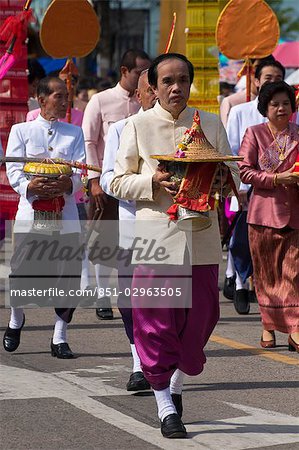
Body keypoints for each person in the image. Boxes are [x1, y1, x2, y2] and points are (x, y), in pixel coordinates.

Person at [110, 53, 239, 438]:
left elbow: (230, 173)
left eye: (182, 79)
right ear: (153, 86)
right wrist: (152, 182)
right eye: (167, 81)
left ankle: (177, 385)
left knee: (201, 320)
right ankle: (165, 403)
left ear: (191, 83)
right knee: (155, 324)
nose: (176, 87)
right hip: (156, 239)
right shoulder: (136, 125)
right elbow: (117, 181)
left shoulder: (211, 122)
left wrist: (220, 183)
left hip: (200, 238)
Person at [3, 76, 85, 358]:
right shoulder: (21, 131)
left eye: (66, 96)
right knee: (22, 271)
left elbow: (80, 173)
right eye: (59, 96)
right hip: (32, 210)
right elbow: (13, 171)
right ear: (42, 99)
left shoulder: (74, 133)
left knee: (69, 275)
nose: (65, 102)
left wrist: (70, 184)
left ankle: (59, 335)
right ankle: (16, 319)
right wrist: (29, 186)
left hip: (66, 213)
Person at [82, 49, 151, 320]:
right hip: (105, 181)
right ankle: (102, 293)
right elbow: (89, 141)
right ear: (124, 71)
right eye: (139, 72)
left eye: (148, 73)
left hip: (138, 183)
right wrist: (94, 181)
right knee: (105, 238)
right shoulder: (100, 100)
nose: (144, 77)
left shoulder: (148, 102)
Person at [100, 70, 156, 391]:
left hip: (171, 230)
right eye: (151, 89)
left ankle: (163, 364)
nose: (158, 96)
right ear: (139, 95)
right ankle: (138, 364)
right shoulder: (122, 129)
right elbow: (109, 179)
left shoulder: (183, 132)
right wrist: (147, 185)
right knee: (129, 303)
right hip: (133, 229)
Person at [238, 81, 299, 352]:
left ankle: (295, 327)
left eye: (286, 103)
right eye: (275, 104)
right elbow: (245, 171)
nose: (281, 108)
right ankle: (268, 325)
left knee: (293, 274)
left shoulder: (298, 135)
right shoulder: (255, 134)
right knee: (266, 276)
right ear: (265, 108)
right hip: (262, 215)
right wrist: (276, 178)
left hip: (295, 214)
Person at [225, 59, 286, 314]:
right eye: (267, 78)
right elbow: (230, 151)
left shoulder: (289, 112)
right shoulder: (241, 112)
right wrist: (236, 186)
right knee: (241, 238)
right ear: (257, 80)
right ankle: (239, 283)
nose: (272, 83)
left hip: (281, 189)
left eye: (278, 78)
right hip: (246, 185)